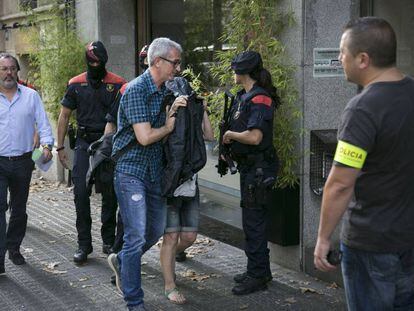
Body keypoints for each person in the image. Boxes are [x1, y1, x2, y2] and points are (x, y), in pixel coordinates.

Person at [314, 17, 414, 310]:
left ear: (363, 59)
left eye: (342, 52)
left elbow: (341, 183)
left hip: (371, 244)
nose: (339, 58)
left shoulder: (363, 109)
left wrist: (322, 238)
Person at [107, 37, 186, 311]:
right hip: (130, 171)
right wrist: (168, 126)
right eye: (174, 62)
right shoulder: (136, 90)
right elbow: (144, 137)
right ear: (157, 61)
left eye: (178, 63)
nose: (177, 68)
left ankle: (121, 261)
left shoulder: (165, 89)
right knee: (136, 235)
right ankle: (134, 301)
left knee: (153, 231)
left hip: (154, 172)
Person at [57, 41, 127, 264]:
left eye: (99, 62)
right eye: (92, 61)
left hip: (107, 144)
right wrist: (59, 147)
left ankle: (108, 241)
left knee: (110, 194)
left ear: (105, 61)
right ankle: (84, 244)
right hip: (83, 144)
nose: (95, 65)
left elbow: (121, 116)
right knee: (80, 193)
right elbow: (64, 115)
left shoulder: (117, 84)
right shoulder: (76, 84)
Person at [222, 51, 279, 295]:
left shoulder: (260, 99)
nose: (232, 74)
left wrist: (230, 136)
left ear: (243, 72)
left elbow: (255, 137)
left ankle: (257, 276)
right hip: (249, 168)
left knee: (254, 223)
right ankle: (259, 269)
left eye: (235, 70)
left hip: (259, 169)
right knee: (252, 221)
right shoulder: (244, 96)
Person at [160, 79, 214, 304]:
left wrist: (201, 111)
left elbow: (209, 137)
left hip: (190, 181)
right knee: (171, 235)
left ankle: (168, 258)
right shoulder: (165, 106)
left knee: (189, 236)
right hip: (171, 181)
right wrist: (171, 112)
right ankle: (169, 284)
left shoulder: (195, 108)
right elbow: (161, 138)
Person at [0, 53, 54, 274]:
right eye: (4, 69)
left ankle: (14, 247)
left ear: (17, 71)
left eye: (12, 68)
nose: (9, 73)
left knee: (19, 210)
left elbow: (43, 124)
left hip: (24, 161)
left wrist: (48, 146)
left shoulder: (31, 96)